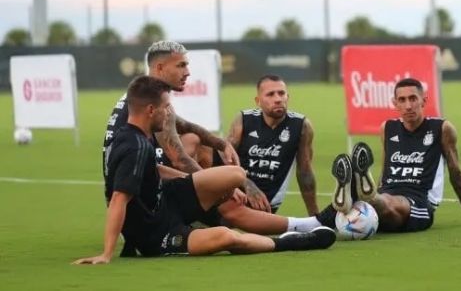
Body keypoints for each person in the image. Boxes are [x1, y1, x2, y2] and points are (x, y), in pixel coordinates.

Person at [75, 76, 335, 264]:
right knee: (226, 237)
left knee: (236, 175)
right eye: (166, 108)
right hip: (155, 232)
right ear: (151, 110)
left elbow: (153, 170)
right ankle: (292, 240)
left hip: (167, 200)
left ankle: (214, 215)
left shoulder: (137, 135)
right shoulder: (134, 146)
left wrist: (202, 182)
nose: (169, 115)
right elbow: (118, 199)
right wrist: (106, 253)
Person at [103, 42, 326, 244]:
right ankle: (309, 225)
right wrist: (221, 187)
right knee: (229, 204)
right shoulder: (152, 104)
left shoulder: (141, 95)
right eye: (181, 65)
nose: (187, 72)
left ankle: (208, 217)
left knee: (196, 142)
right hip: (143, 208)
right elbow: (178, 159)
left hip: (136, 193)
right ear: (160, 68)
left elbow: (182, 125)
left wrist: (220, 143)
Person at [320, 77, 461, 233]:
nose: (408, 106)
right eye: (402, 100)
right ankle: (336, 210)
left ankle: (366, 195)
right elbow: (385, 169)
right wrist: (380, 188)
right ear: (395, 103)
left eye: (413, 99)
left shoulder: (441, 129)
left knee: (388, 205)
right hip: (387, 193)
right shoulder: (388, 128)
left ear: (423, 101)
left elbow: (456, 174)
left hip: (419, 201)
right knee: (353, 213)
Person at [223, 74, 319, 215]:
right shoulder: (244, 119)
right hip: (237, 197)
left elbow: (305, 173)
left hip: (266, 205)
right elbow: (224, 158)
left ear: (288, 97)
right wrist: (245, 184)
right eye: (270, 94)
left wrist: (315, 215)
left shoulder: (301, 126)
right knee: (198, 143)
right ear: (258, 101)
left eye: (281, 93)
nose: (278, 99)